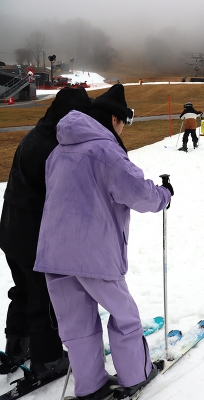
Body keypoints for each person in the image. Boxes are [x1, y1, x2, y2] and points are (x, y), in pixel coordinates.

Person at [33, 84, 173, 400]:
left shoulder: (58, 151)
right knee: (124, 315)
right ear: (113, 118)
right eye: (123, 122)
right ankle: (135, 374)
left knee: (77, 324)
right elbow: (139, 192)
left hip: (55, 253)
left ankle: (91, 385)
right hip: (93, 253)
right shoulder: (106, 151)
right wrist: (163, 195)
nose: (123, 129)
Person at [0, 87, 92, 377]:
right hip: (32, 236)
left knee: (23, 290)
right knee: (43, 297)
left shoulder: (36, 134)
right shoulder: (54, 147)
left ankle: (17, 344)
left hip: (10, 230)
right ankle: (48, 359)